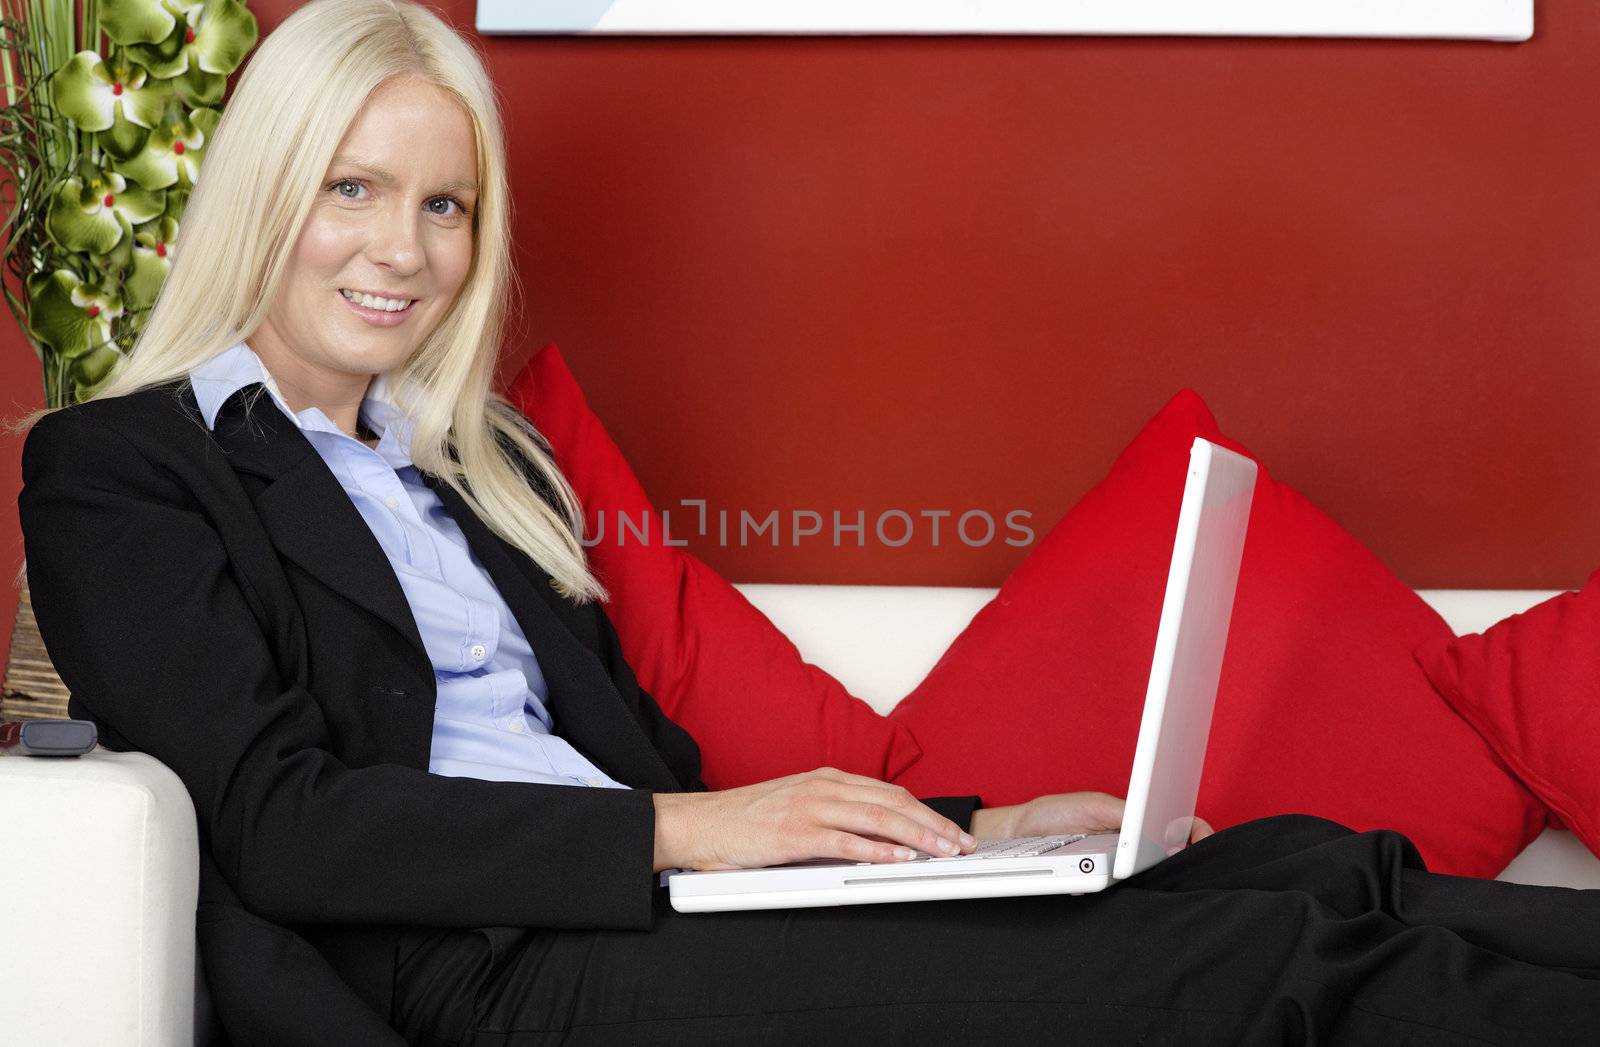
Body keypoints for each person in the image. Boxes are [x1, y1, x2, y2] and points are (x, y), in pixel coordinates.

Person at [14, 2, 1600, 1044]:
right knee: (1252, 978)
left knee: (1306, 873)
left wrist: (973, 840)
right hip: (482, 962)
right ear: (264, 190)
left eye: (445, 204)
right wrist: (685, 835)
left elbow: (644, 769)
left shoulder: (473, 464)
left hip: (656, 903)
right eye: (351, 190)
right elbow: (280, 817)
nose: (405, 250)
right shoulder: (125, 467)